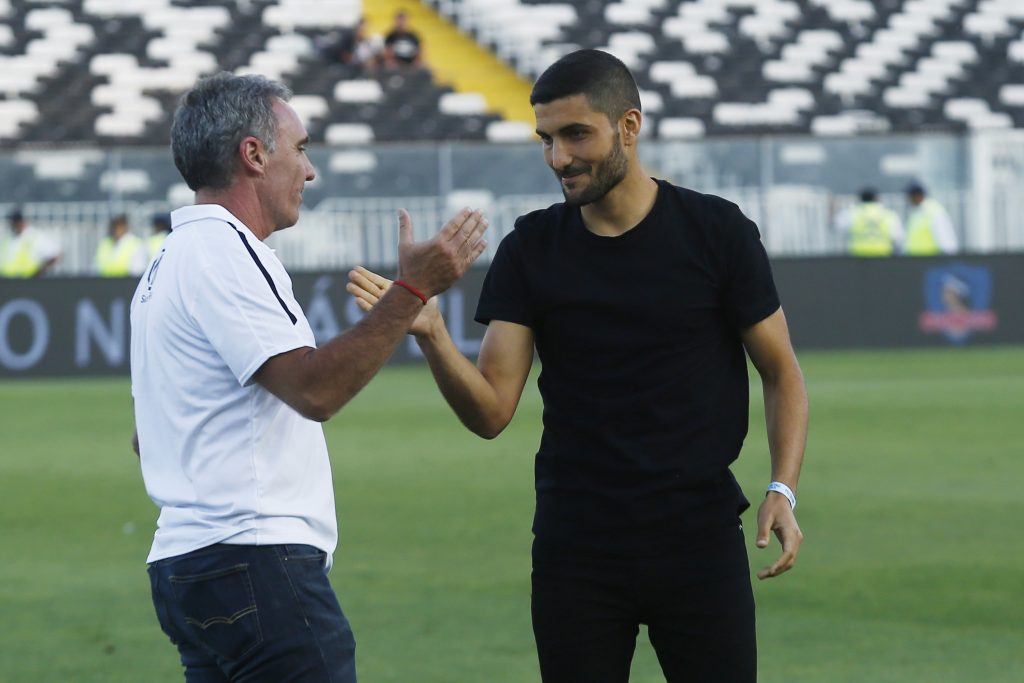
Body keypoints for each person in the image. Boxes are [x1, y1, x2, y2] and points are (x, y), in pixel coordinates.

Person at [347, 49, 807, 683]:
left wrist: (781, 487)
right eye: (547, 139)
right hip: (577, 549)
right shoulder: (531, 248)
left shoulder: (717, 231)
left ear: (629, 125)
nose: (558, 157)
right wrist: (431, 334)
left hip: (697, 540)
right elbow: (491, 413)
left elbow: (781, 372)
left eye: (575, 134)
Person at [130, 72, 487, 682]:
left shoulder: (165, 263)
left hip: (188, 566)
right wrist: (412, 292)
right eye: (301, 149)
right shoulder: (226, 251)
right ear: (254, 154)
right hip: (255, 562)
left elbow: (147, 434)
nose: (311, 170)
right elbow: (314, 390)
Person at [832, 187, 903, 256]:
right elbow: (897, 237)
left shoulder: (852, 213)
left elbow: (835, 225)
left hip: (858, 259)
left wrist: (832, 206)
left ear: (860, 199)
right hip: (882, 258)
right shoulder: (888, 215)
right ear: (877, 199)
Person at [0, 208, 61, 278]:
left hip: (27, 281)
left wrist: (39, 272)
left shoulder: (34, 236)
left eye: (18, 221)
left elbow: (55, 254)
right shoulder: (6, 237)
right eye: (13, 221)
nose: (15, 224)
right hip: (5, 282)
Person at [904, 182, 958, 255]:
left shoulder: (934, 212)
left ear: (917, 196)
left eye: (910, 197)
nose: (909, 200)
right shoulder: (914, 214)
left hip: (931, 262)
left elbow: (946, 241)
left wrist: (949, 262)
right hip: (916, 262)